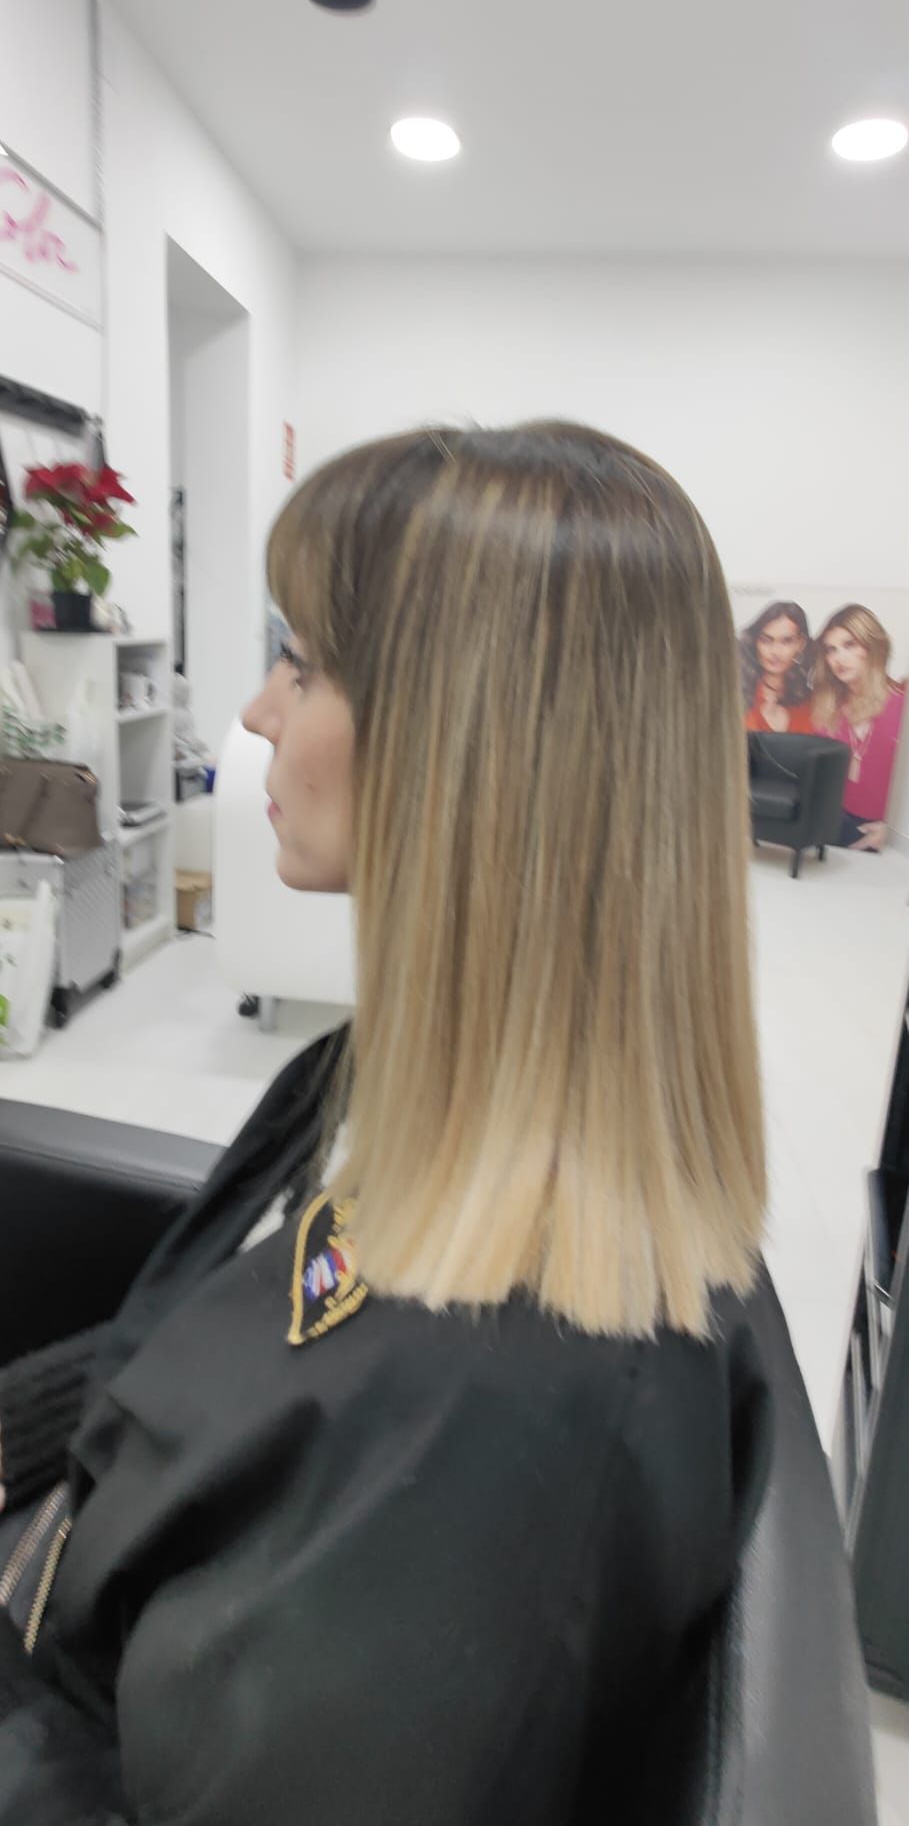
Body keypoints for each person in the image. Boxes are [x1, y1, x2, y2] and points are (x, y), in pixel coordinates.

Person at [0, 423, 771, 1825]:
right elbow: (186, 1347)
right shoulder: (388, 1078)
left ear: (464, 740)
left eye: (301, 661)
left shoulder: (492, 1449)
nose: (253, 714)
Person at [812, 603, 906, 851]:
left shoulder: (902, 704)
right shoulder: (826, 710)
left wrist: (894, 832)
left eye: (849, 645)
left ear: (872, 646)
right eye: (831, 650)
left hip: (890, 837)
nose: (838, 658)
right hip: (835, 831)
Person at [739, 600, 815, 733]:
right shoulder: (739, 696)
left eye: (786, 641)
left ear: (801, 644)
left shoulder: (811, 702)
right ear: (755, 642)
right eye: (766, 640)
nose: (775, 651)